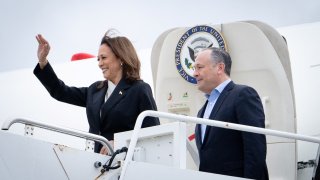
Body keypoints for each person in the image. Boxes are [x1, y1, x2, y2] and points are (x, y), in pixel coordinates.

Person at [34, 31, 160, 154]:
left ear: (121, 58)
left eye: (104, 58)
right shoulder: (95, 90)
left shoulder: (139, 89)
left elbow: (153, 134)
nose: (100, 64)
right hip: (95, 162)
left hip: (124, 164)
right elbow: (60, 91)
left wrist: (120, 142)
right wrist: (43, 61)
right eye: (98, 59)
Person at [193, 47, 268, 179]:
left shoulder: (243, 95)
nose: (194, 73)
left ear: (220, 68)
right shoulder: (202, 111)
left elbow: (255, 149)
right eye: (194, 68)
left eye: (199, 67)